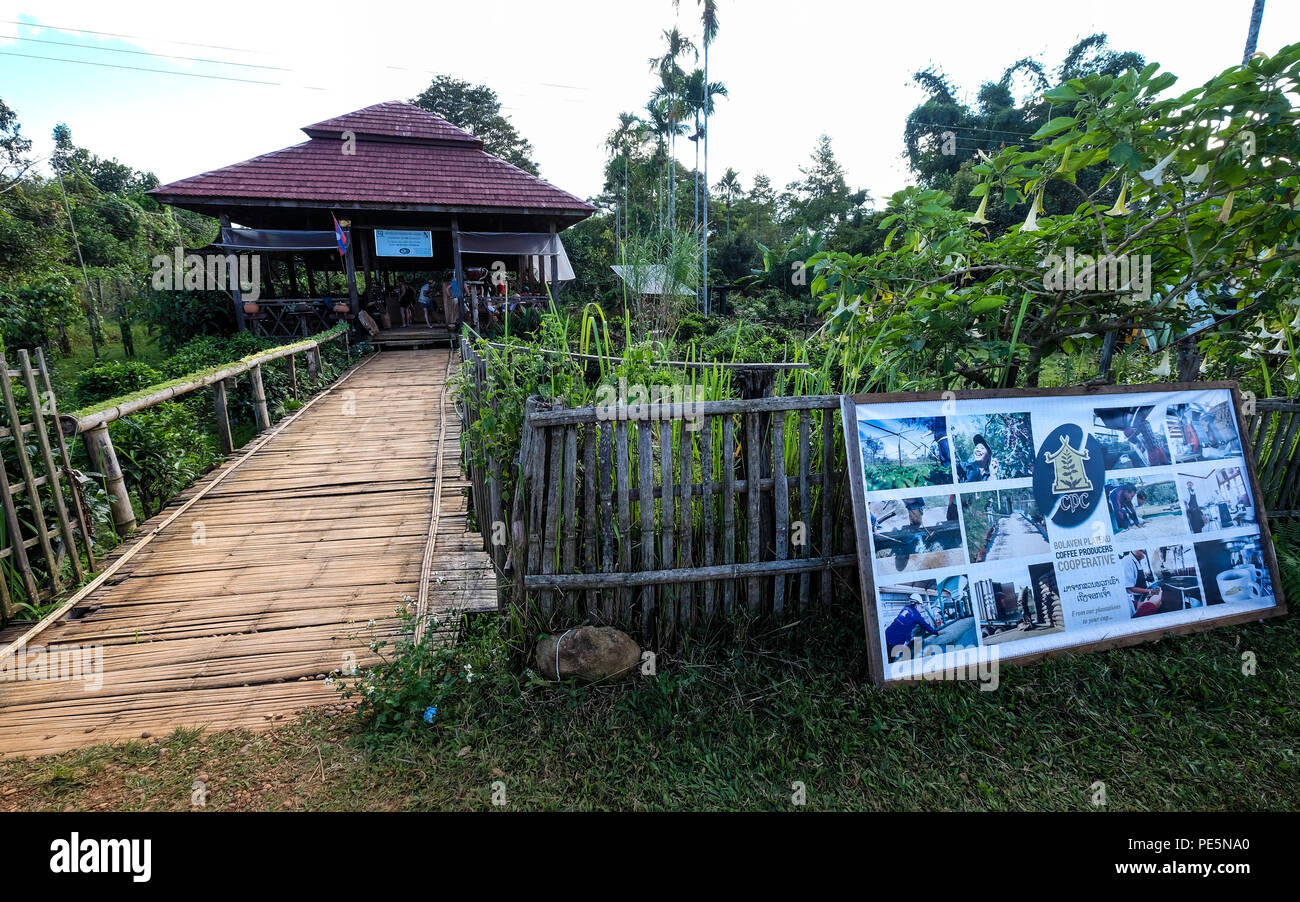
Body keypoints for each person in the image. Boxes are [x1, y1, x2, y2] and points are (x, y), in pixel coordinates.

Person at [884, 594, 941, 658]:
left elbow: (904, 626)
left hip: (887, 634)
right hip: (895, 641)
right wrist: (936, 632)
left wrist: (909, 638)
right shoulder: (916, 614)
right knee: (891, 659)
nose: (921, 608)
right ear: (917, 604)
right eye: (921, 605)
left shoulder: (905, 608)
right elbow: (925, 625)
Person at [1121, 550, 1163, 616]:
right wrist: (1151, 592)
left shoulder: (1137, 560)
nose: (1144, 554)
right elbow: (1129, 588)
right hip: (1136, 597)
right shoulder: (1127, 561)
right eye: (1141, 551)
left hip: (1140, 599)